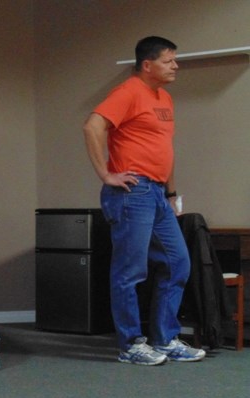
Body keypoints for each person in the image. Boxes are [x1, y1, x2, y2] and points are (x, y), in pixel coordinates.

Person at [83, 36, 205, 365]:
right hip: (131, 192)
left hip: (157, 193)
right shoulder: (128, 92)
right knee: (130, 271)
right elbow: (93, 127)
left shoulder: (164, 97)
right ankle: (131, 344)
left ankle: (165, 339)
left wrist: (171, 193)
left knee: (178, 262)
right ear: (147, 65)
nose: (175, 66)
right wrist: (106, 175)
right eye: (169, 61)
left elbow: (165, 150)